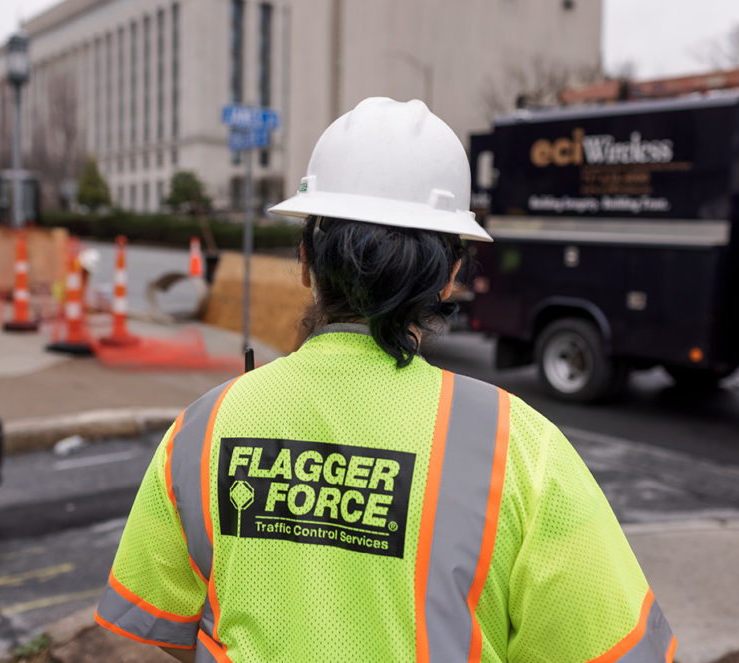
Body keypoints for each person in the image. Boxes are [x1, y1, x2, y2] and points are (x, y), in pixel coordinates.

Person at [95, 98, 676, 663]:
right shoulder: (522, 452)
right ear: (450, 276)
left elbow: (166, 625)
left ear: (304, 260)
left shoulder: (204, 429)